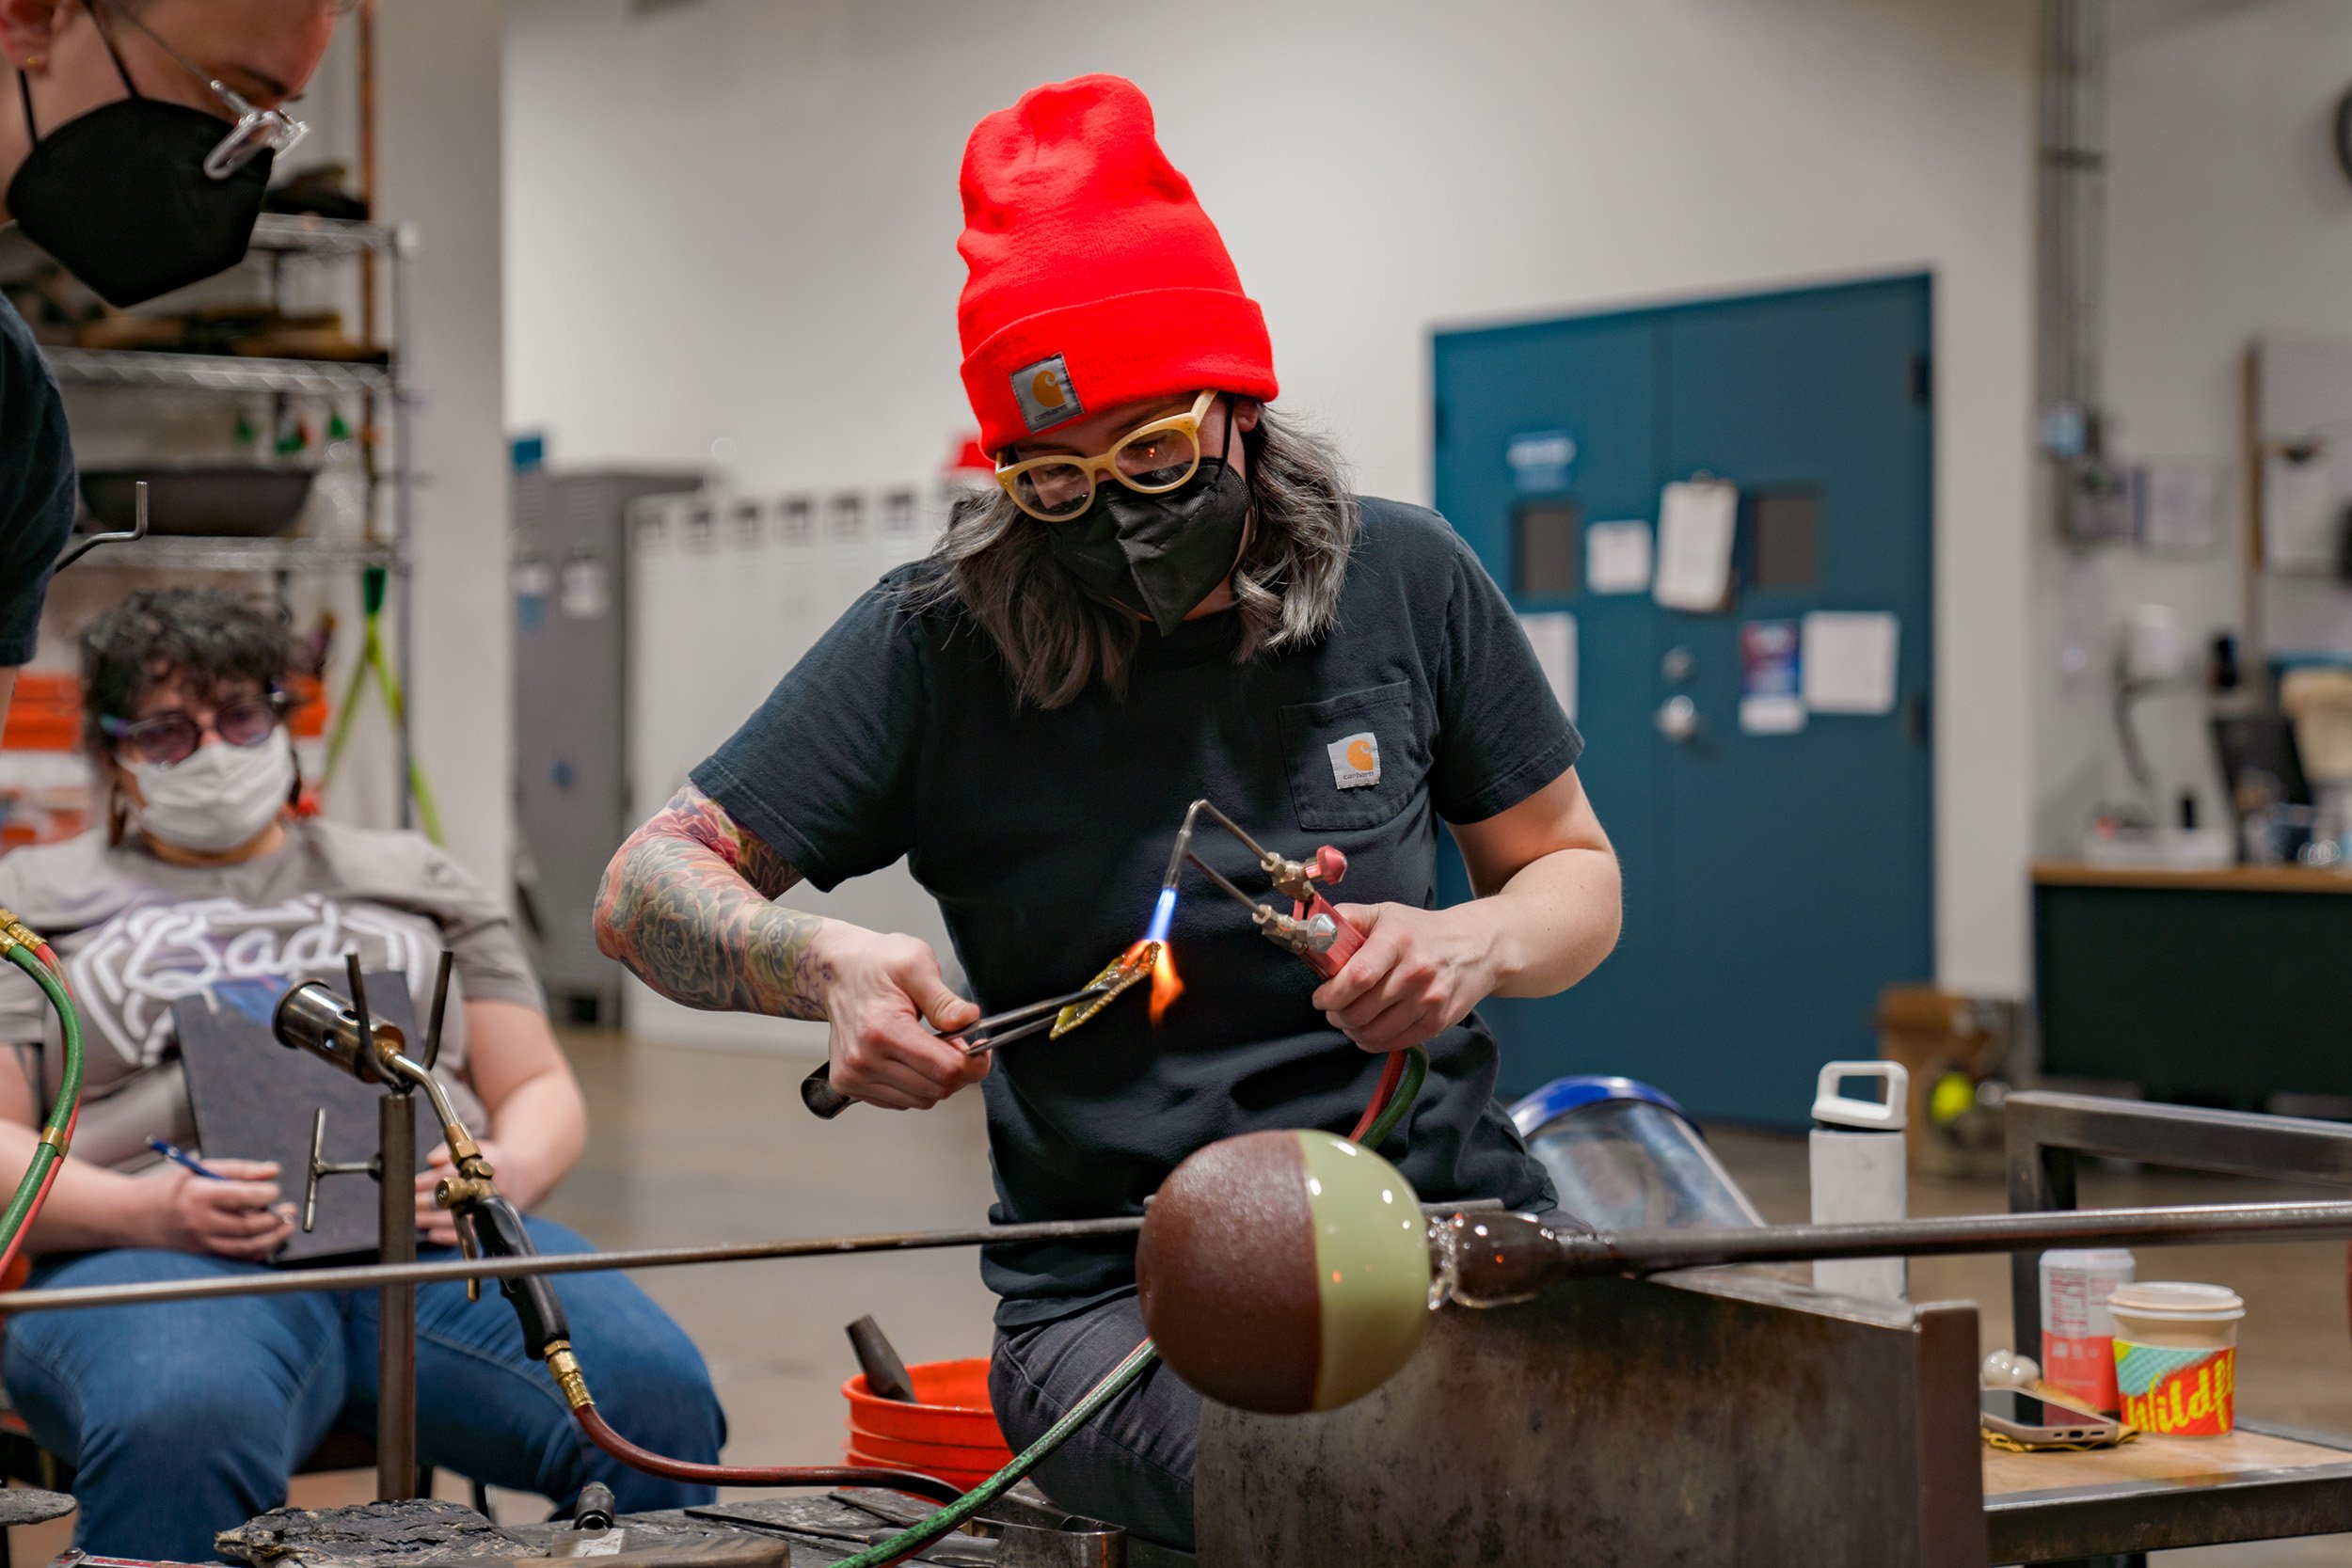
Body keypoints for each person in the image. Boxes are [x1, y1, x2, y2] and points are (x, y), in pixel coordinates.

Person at [595, 74, 1623, 1549]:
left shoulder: (1406, 582)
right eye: (1055, 480)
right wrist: (816, 962)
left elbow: (1576, 875)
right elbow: (643, 886)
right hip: (1127, 1295)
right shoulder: (936, 645)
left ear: (1245, 412)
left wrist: (1475, 939)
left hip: (1448, 1219)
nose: (1116, 513)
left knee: (1684, 1440)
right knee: (1377, 1489)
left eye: (1155, 457)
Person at [0, 588, 724, 1559]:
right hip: (158, 1255)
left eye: (242, 717)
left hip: (436, 1248)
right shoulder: (32, 901)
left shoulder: (413, 876)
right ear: (115, 754)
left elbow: (538, 1084)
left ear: (283, 723)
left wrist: (495, 1174)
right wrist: (148, 1211)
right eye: (169, 731)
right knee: (182, 1421)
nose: (213, 751)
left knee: (656, 1400)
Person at [0, 0, 341, 720]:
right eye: (230, 94)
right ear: (30, 18)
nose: (233, 159)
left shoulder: (14, 403)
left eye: (269, 121)